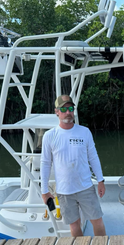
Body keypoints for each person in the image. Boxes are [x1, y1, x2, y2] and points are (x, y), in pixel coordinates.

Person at [40, 94, 106, 237]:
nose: (68, 112)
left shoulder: (84, 131)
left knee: (98, 222)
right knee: (74, 225)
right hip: (64, 191)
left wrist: (100, 180)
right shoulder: (49, 136)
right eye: (64, 109)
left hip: (86, 187)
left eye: (70, 108)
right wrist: (44, 190)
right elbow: (45, 163)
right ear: (56, 111)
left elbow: (93, 157)